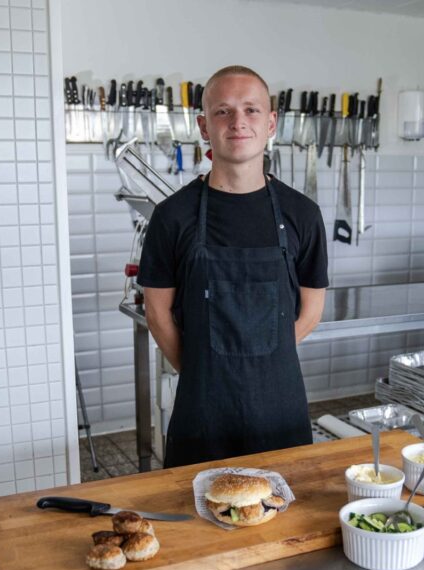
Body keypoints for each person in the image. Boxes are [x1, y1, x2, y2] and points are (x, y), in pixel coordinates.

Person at [137, 65, 329, 468]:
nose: (238, 122)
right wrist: (203, 371)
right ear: (204, 126)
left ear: (271, 122)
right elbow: (156, 313)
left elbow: (311, 311)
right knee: (195, 525)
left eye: (251, 110)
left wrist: (264, 361)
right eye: (223, 111)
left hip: (280, 415)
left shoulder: (303, 215)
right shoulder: (172, 216)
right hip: (202, 416)